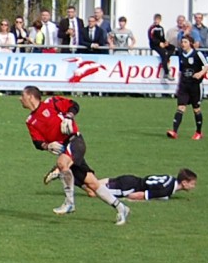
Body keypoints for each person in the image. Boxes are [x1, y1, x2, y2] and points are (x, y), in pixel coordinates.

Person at [22, 85, 130, 223]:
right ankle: (121, 208)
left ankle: (69, 202)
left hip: (74, 141)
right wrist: (47, 146)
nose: (20, 99)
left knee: (62, 163)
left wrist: (69, 116)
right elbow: (37, 142)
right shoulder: (30, 121)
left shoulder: (52, 102)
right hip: (65, 150)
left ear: (30, 96)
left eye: (22, 95)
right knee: (92, 184)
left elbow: (74, 105)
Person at [169, 34, 208, 140]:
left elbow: (207, 66)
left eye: (185, 42)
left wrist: (200, 73)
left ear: (190, 43)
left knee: (196, 109)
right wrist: (178, 85)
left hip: (195, 85)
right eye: (182, 42)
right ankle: (174, 132)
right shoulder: (181, 54)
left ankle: (198, 132)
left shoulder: (197, 54)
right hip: (184, 85)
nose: (183, 44)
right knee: (181, 107)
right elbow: (181, 71)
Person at [99, 169, 197, 204]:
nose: (194, 186)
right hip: (129, 187)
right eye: (192, 184)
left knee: (99, 183)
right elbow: (139, 195)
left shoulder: (170, 178)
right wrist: (127, 199)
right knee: (97, 192)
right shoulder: (167, 190)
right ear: (184, 182)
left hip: (131, 178)